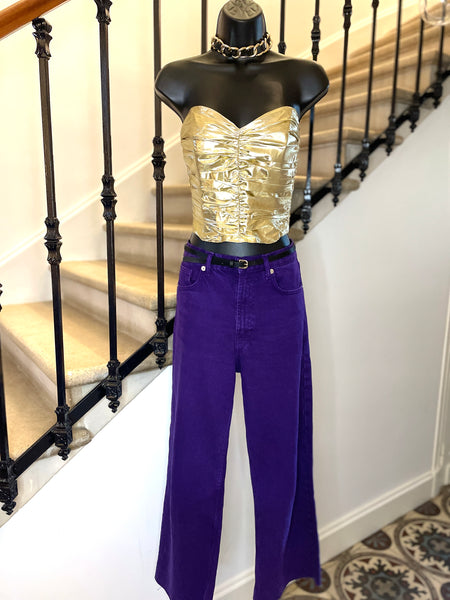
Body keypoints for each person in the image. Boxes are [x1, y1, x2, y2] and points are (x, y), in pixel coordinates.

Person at [154, 1, 329, 599]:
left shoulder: (302, 77)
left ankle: (271, 588)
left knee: (280, 449)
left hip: (275, 285)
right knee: (194, 454)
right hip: (205, 285)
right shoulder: (179, 78)